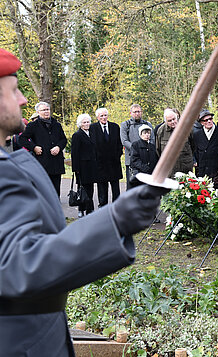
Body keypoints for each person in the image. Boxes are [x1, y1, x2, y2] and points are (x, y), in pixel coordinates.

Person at [0, 47, 168, 357]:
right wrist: (114, 220)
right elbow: (18, 266)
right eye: (14, 91)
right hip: (19, 342)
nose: (23, 100)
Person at [20, 101, 67, 195]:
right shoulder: (33, 125)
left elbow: (63, 139)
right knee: (44, 191)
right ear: (38, 112)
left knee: (56, 191)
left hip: (56, 163)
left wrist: (58, 147)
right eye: (43, 110)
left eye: (47, 109)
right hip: (42, 162)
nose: (46, 112)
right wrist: (34, 147)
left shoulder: (56, 124)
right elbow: (22, 139)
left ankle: (55, 208)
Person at [90, 107, 123, 207]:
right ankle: (103, 207)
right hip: (100, 163)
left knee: (115, 187)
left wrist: (117, 155)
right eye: (101, 116)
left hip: (114, 162)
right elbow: (92, 145)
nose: (104, 117)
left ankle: (116, 207)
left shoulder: (115, 127)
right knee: (102, 188)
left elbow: (119, 143)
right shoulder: (93, 128)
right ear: (97, 117)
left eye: (105, 115)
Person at [121, 104, 154, 190]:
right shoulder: (125, 125)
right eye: (135, 112)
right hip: (132, 161)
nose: (137, 114)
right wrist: (136, 148)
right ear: (130, 113)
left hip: (147, 161)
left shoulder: (148, 124)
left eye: (138, 111)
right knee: (132, 186)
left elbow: (152, 140)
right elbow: (124, 141)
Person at [71, 113, 98, 216]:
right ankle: (81, 209)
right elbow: (75, 153)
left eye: (88, 122)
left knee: (90, 188)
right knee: (82, 189)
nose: (87, 124)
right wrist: (76, 169)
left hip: (91, 165)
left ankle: (90, 209)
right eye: (84, 122)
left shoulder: (91, 133)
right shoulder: (77, 135)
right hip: (82, 167)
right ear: (80, 124)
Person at [193, 109, 218, 188]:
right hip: (202, 174)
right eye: (206, 120)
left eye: (210, 119)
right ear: (201, 122)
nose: (209, 121)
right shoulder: (197, 135)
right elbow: (195, 152)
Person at [155, 108, 195, 178]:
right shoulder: (161, 131)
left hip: (185, 167)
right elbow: (158, 150)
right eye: (169, 121)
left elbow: (193, 145)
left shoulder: (187, 128)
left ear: (177, 117)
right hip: (169, 170)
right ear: (165, 121)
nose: (173, 122)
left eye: (174, 119)